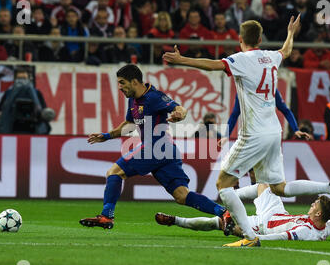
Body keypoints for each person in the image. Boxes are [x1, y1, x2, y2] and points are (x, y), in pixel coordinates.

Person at [163, 16, 330, 248]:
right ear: (261, 38)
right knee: (278, 187)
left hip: (253, 133)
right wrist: (290, 32)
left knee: (223, 184)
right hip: (274, 130)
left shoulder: (241, 59)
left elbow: (212, 64)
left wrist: (180, 59)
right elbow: (286, 50)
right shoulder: (271, 56)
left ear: (240, 39)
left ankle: (249, 236)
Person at [79, 64, 227, 229]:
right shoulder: (133, 100)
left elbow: (180, 108)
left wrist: (179, 114)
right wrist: (107, 136)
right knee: (181, 195)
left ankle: (106, 216)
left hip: (156, 147)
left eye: (122, 82)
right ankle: (223, 212)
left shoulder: (154, 97)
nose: (119, 87)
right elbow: (129, 124)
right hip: (166, 151)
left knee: (114, 172)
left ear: (134, 81)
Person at [155, 184, 330, 245]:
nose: (311, 205)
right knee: (265, 185)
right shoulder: (328, 225)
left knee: (216, 223)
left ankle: (176, 221)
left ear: (319, 212)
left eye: (314, 205)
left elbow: (282, 238)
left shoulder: (306, 231)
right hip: (277, 213)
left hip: (263, 227)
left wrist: (252, 238)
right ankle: (231, 193)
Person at [0, 67, 53, 134]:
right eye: (20, 79)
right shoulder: (8, 93)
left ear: (29, 79)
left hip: (33, 126)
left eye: (24, 78)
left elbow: (43, 109)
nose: (22, 82)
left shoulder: (37, 93)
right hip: (12, 126)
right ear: (15, 79)